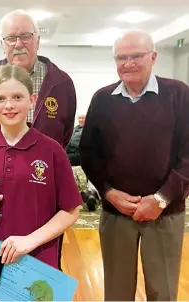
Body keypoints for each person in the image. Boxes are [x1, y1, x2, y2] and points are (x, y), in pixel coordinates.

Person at [79, 30, 189, 301]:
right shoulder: (102, 99)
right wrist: (108, 192)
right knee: (116, 293)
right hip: (116, 213)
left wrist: (161, 199)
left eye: (136, 56)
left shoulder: (178, 94)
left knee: (162, 292)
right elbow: (89, 154)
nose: (128, 63)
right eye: (121, 57)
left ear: (153, 57)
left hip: (165, 213)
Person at [0, 64, 82, 301]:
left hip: (37, 266)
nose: (9, 105)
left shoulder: (52, 151)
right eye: (1, 98)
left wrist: (29, 241)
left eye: (18, 97)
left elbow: (71, 210)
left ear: (33, 100)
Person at [0, 9, 77, 148]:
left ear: (37, 41)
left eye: (26, 36)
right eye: (11, 38)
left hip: (46, 166)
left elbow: (66, 133)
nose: (18, 44)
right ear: (3, 44)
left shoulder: (61, 82)